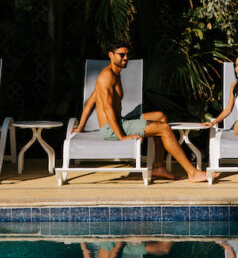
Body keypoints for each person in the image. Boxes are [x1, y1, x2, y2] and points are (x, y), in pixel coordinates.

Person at [74, 43, 209, 182]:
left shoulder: (114, 74)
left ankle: (158, 167)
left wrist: (80, 127)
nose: (125, 58)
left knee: (160, 116)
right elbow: (108, 109)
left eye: (127, 55)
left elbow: (90, 103)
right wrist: (121, 136)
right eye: (121, 55)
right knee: (164, 128)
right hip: (111, 129)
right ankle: (192, 173)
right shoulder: (106, 77)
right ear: (111, 55)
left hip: (119, 121)